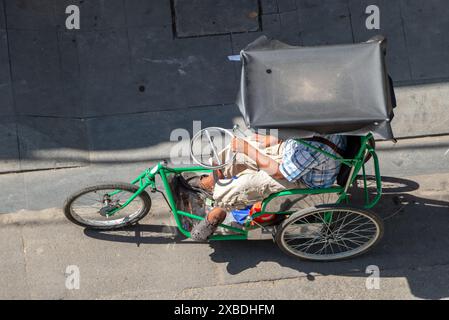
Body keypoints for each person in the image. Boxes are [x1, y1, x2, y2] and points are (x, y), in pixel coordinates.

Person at [187, 132, 347, 241]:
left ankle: (218, 212)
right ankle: (209, 183)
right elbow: (292, 133)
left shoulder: (317, 145)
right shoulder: (312, 119)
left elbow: (279, 173)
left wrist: (248, 150)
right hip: (293, 153)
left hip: (302, 179)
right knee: (235, 152)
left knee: (244, 185)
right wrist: (271, 139)